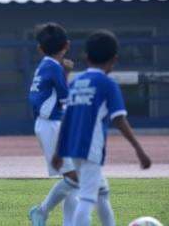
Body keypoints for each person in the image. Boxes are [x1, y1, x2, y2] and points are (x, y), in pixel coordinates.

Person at [52, 30, 152, 226]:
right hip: (91, 150)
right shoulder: (107, 84)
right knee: (87, 200)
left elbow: (67, 120)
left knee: (102, 192)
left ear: (86, 57)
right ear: (114, 59)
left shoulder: (76, 82)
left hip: (74, 150)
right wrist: (140, 150)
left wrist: (58, 152)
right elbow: (119, 120)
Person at [28, 23, 79, 226]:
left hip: (48, 124)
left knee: (75, 178)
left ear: (40, 48)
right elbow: (65, 100)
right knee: (74, 177)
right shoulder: (53, 67)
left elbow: (52, 94)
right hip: (52, 124)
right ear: (67, 45)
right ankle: (41, 211)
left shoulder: (46, 66)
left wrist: (64, 72)